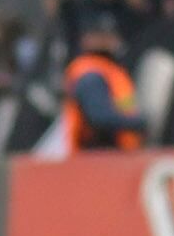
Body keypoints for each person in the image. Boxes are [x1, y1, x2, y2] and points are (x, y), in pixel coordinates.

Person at [60, 13, 143, 153]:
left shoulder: (108, 69)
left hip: (117, 156)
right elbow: (99, 117)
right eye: (103, 36)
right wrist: (141, 122)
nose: (110, 40)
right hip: (96, 159)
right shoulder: (90, 73)